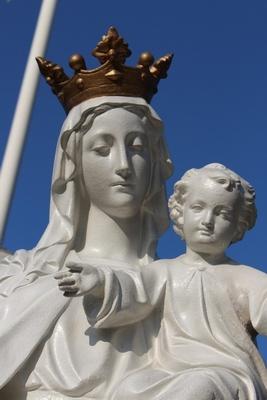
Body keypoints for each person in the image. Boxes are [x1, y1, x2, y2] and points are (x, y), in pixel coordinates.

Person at [0, 96, 172, 399]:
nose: (123, 166)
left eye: (136, 148)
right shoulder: (18, 283)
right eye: (102, 150)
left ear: (156, 163)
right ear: (73, 164)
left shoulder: (176, 287)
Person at [69, 163, 267, 399]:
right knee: (129, 388)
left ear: (239, 226)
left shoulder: (247, 277)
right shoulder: (164, 271)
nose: (207, 220)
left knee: (198, 388)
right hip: (169, 370)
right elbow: (133, 290)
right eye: (198, 208)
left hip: (227, 372)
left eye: (222, 213)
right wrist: (101, 281)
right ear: (180, 213)